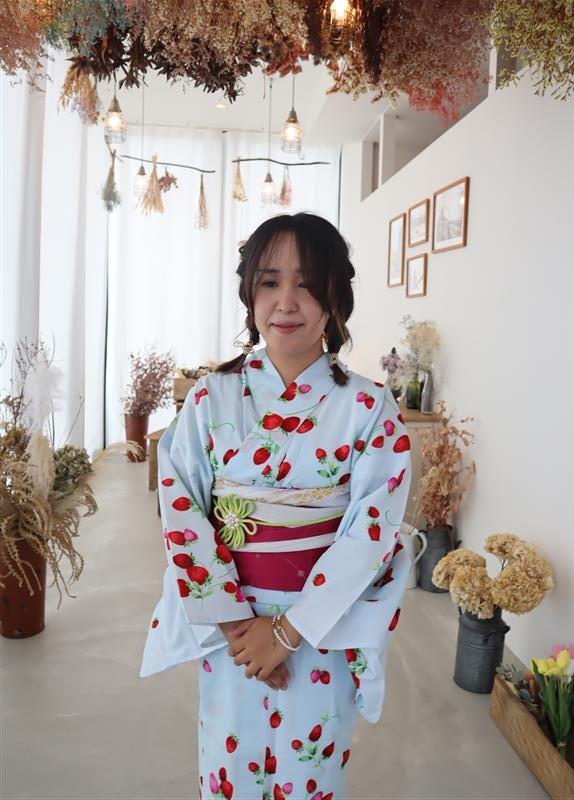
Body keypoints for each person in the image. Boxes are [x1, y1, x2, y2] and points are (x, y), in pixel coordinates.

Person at [140, 212, 413, 800]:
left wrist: (289, 632)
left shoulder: (370, 408)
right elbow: (181, 505)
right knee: (230, 765)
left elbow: (374, 529)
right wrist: (236, 623)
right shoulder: (212, 397)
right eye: (269, 281)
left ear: (335, 297)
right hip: (233, 627)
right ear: (249, 293)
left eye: (307, 283)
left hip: (320, 623)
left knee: (310, 772)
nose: (286, 301)